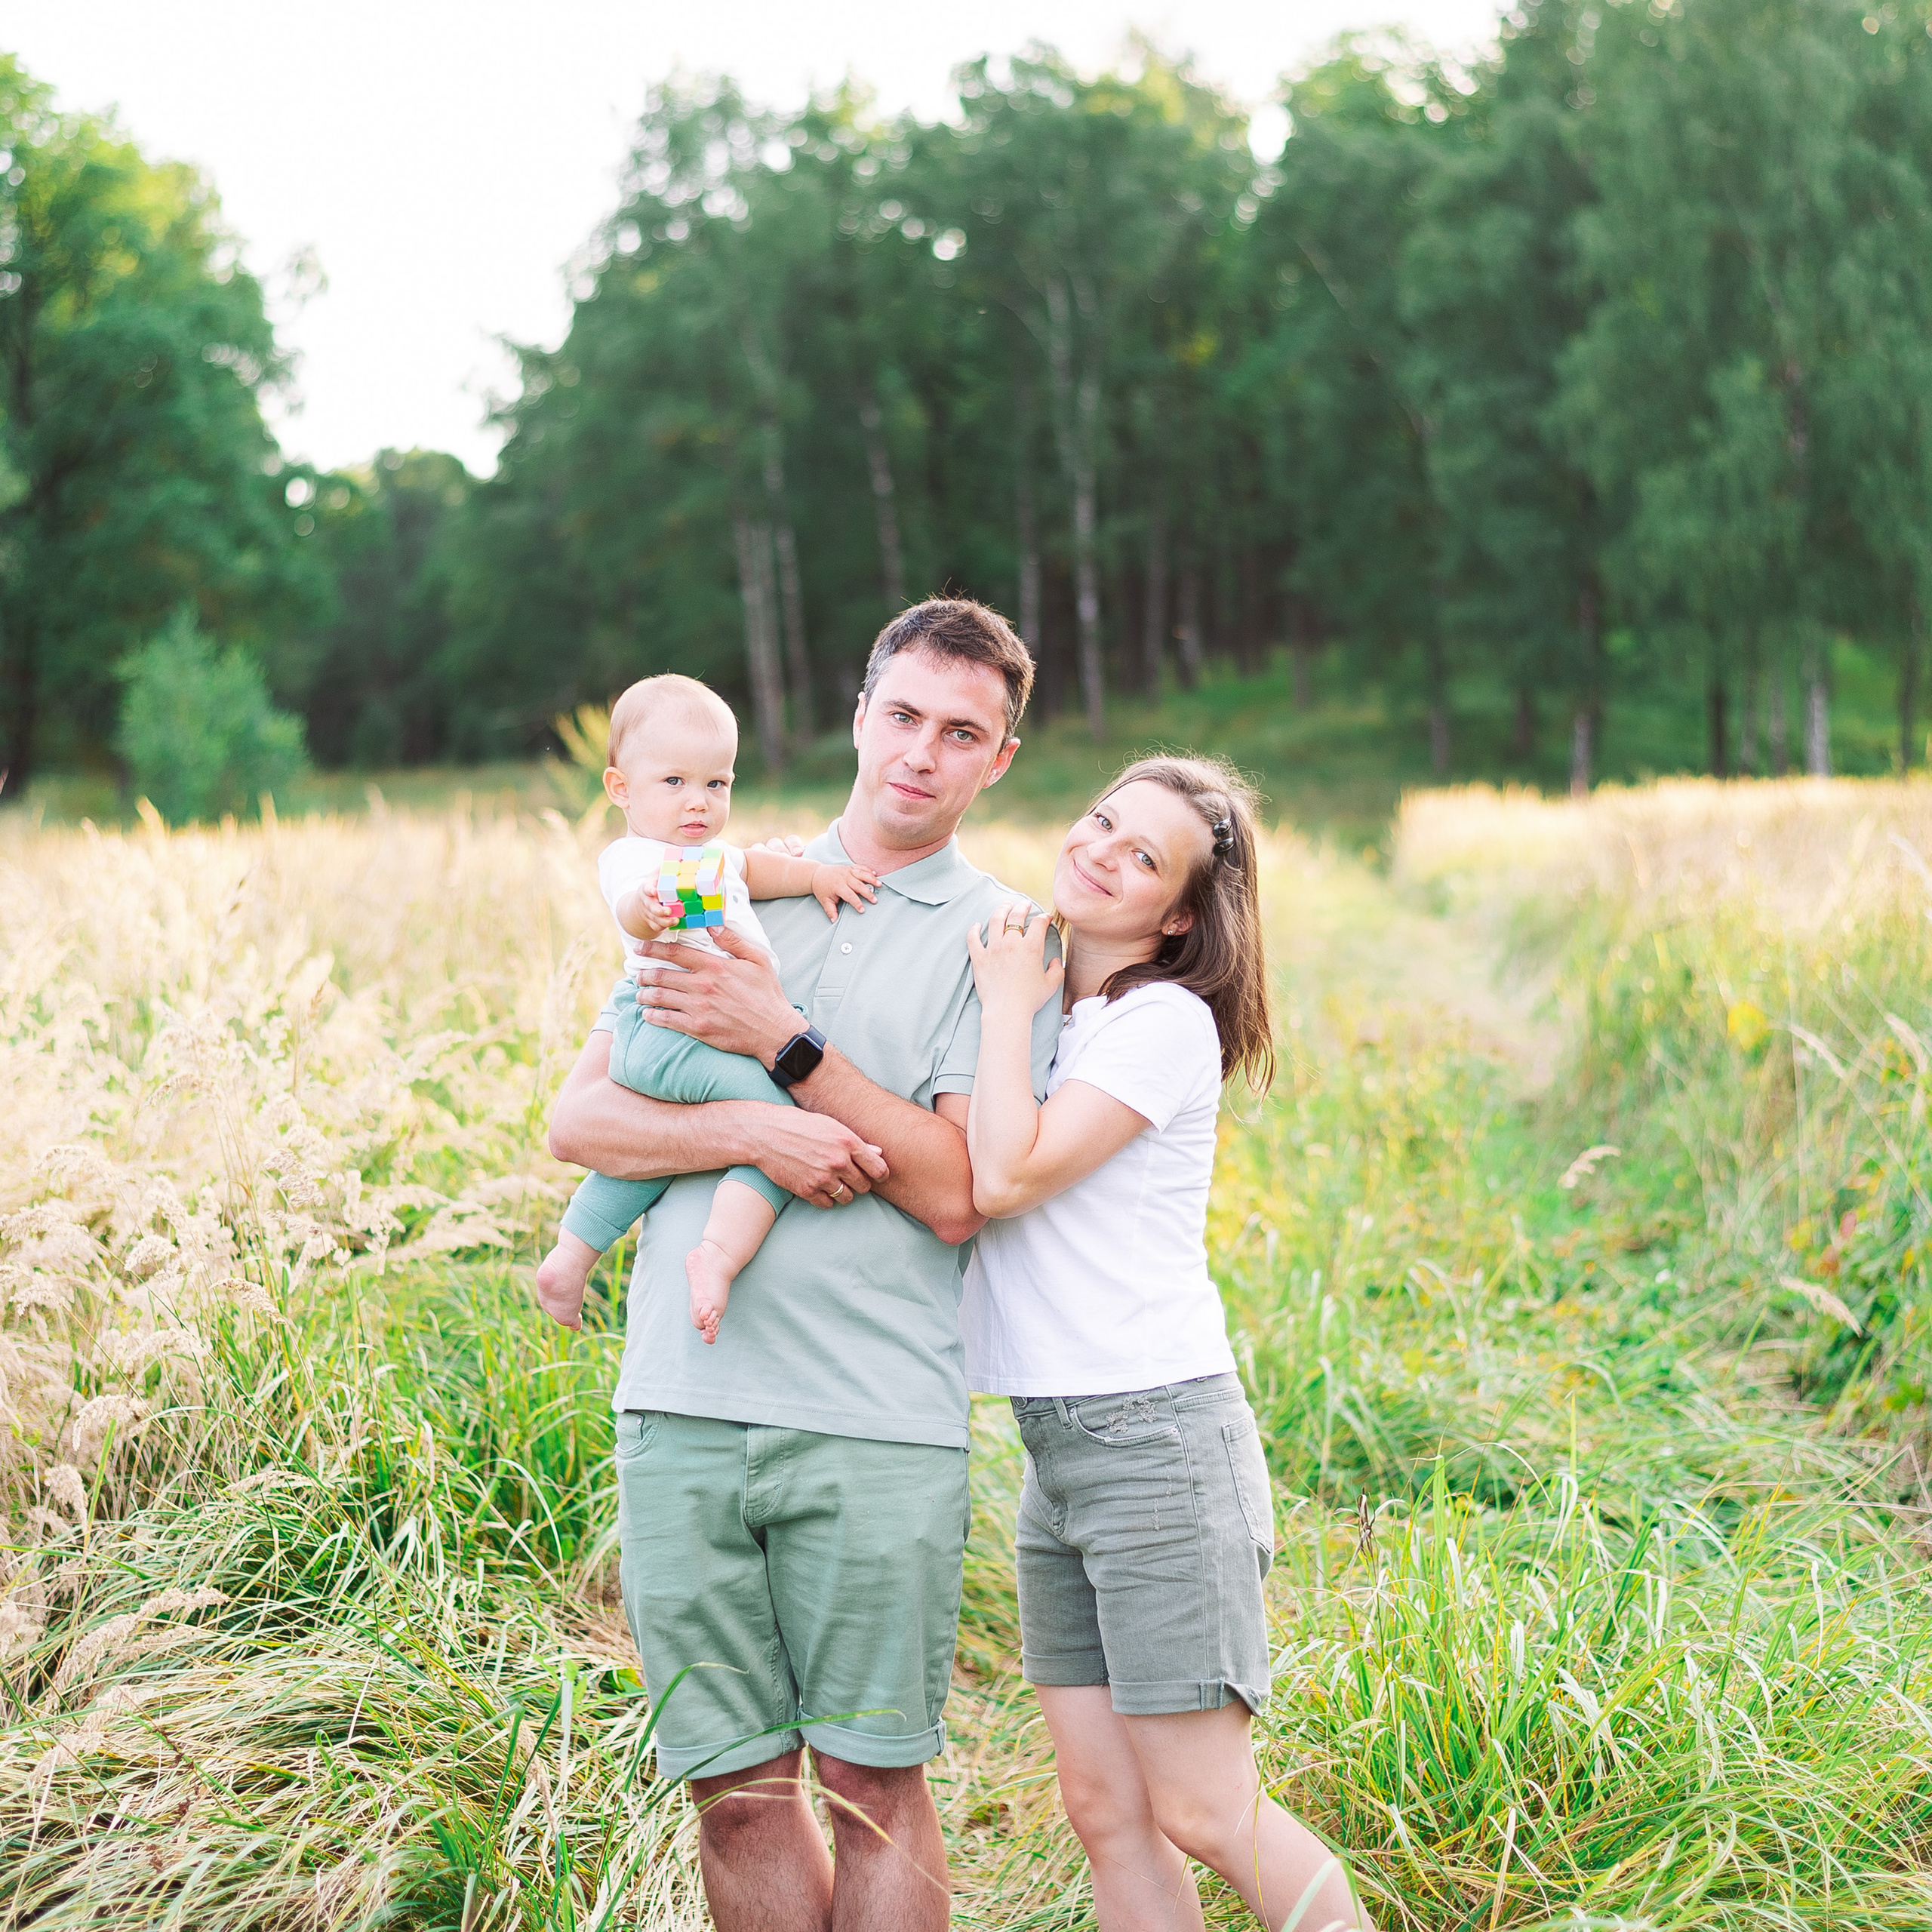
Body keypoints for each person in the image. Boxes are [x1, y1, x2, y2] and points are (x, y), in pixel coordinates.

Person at [545, 599, 1062, 1932]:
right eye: (903, 716)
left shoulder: (1003, 940)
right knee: (737, 1792)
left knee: (875, 1785)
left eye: (962, 733)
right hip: (682, 1402)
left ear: (997, 758)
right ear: (858, 715)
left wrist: (786, 1047)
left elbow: (958, 1192)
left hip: (873, 1418)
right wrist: (756, 1128)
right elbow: (581, 1121)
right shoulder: (712, 879)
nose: (921, 754)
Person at [959, 756, 1374, 1932]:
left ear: (1178, 913)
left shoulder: (1160, 1024)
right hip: (1061, 1449)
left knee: (1202, 1806)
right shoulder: (1061, 1009)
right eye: (1101, 822)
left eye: (1142, 855)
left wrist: (1000, 1003)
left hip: (1157, 1443)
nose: (1099, 849)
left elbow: (1006, 1173)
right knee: (1106, 1808)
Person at [533, 672, 881, 1343]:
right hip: (666, 1028)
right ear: (620, 790)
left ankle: (570, 1257)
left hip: (692, 1034)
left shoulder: (713, 855)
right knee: (787, 1122)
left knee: (655, 1154)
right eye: (675, 783)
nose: (698, 802)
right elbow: (630, 908)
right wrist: (651, 911)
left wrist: (816, 875)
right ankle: (717, 1255)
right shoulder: (635, 857)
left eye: (716, 784)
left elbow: (756, 869)